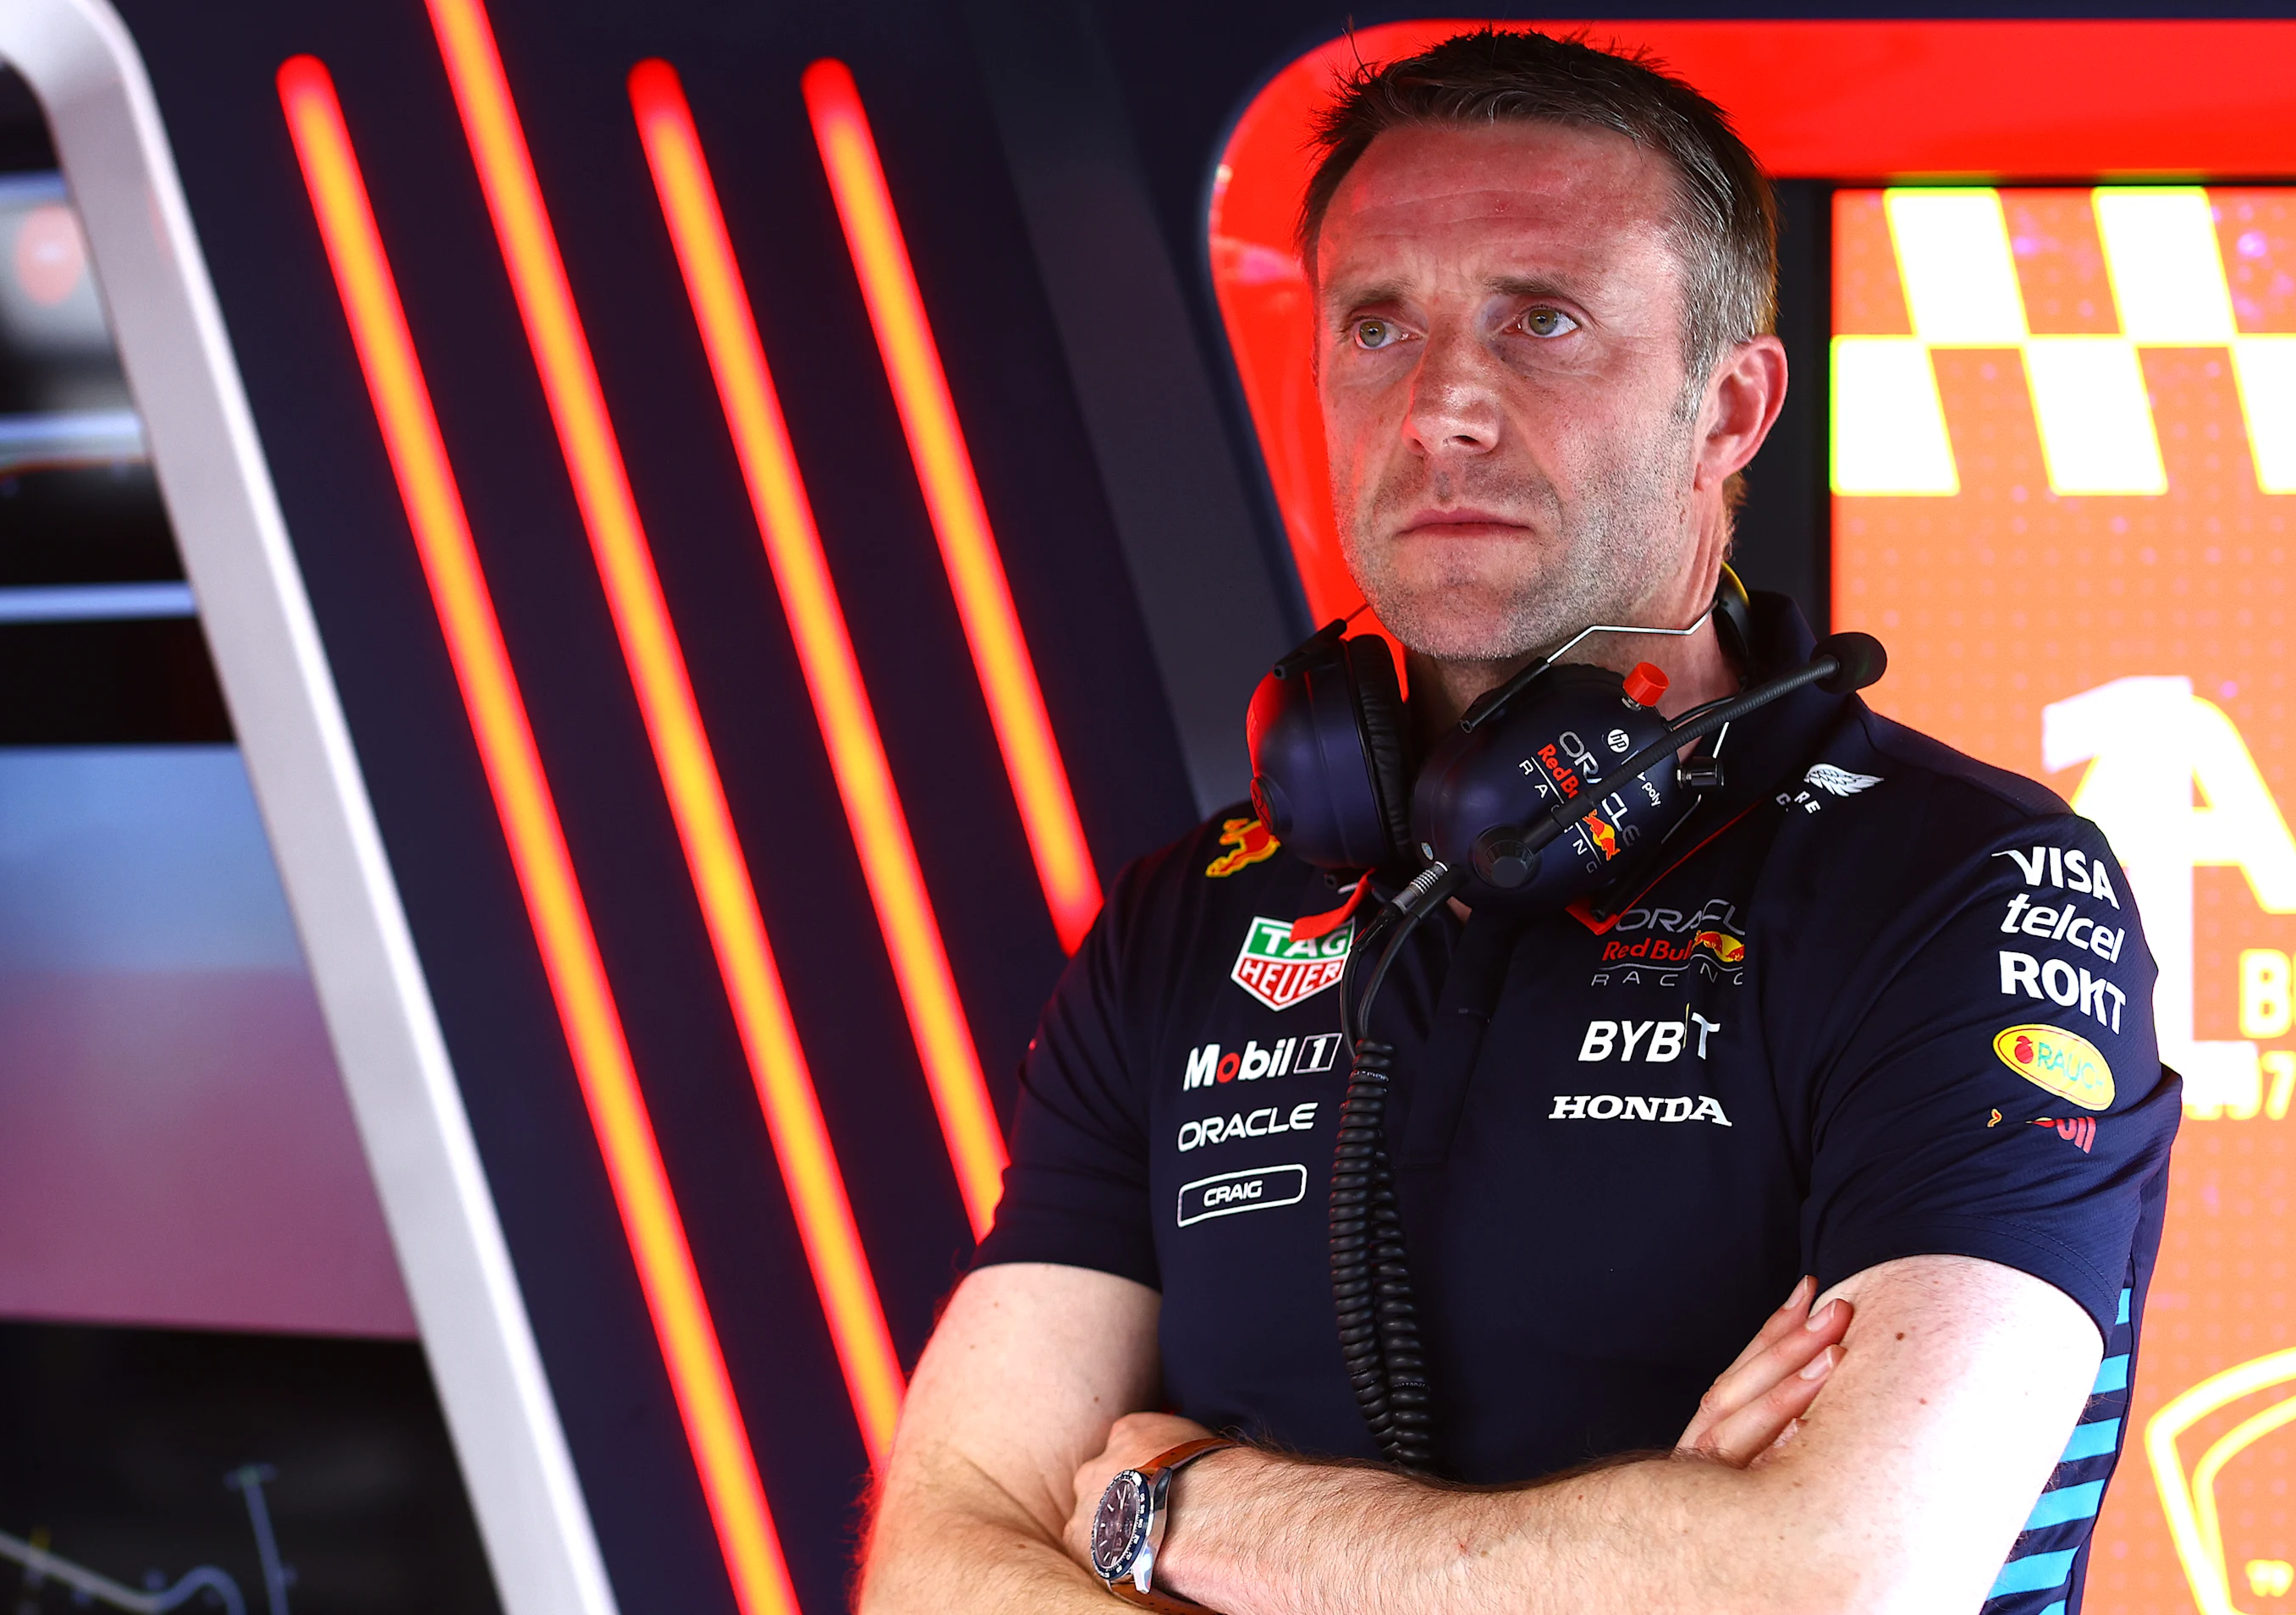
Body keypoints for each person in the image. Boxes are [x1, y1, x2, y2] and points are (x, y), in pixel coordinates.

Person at [855, 28, 2178, 1615]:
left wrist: (1191, 1510)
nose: (1441, 410)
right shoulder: (1190, 918)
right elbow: (943, 1556)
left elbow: (1837, 1577)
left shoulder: (1958, 889)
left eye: (1541, 320)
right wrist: (1641, 1557)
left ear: (1734, 405)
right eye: (1376, 325)